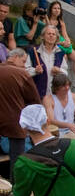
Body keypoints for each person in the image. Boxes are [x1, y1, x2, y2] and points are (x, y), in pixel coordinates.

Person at [0, 47, 42, 180]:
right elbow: (35, 101)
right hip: (15, 123)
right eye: (23, 62)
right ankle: (16, 190)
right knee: (17, 161)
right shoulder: (22, 74)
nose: (25, 66)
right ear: (15, 57)